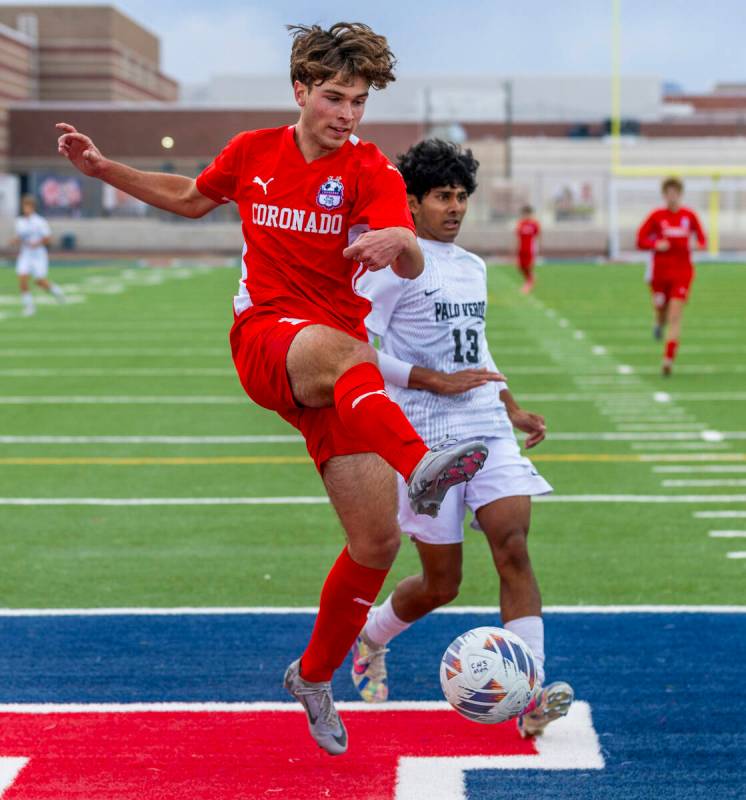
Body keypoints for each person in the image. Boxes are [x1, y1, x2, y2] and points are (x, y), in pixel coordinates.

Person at [56, 23, 488, 756]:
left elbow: (410, 258)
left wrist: (401, 244)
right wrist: (104, 169)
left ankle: (313, 676)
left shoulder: (371, 170)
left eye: (357, 101)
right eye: (333, 97)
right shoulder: (253, 152)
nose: (346, 114)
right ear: (300, 90)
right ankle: (420, 466)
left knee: (377, 542)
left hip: (338, 378)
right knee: (350, 349)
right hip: (268, 340)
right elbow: (193, 197)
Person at [353, 139, 574, 738]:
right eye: (441, 197)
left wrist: (513, 405)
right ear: (412, 202)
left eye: (460, 197)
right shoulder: (393, 264)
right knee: (441, 584)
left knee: (513, 545)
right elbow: (356, 351)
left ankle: (529, 694)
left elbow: (474, 346)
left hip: (486, 424)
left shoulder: (473, 266)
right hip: (423, 439)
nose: (454, 208)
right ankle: (370, 639)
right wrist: (431, 381)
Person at [637, 177, 706, 376]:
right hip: (659, 274)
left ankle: (668, 359)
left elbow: (702, 239)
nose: (672, 196)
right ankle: (658, 323)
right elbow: (640, 239)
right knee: (662, 312)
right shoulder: (657, 216)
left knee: (675, 315)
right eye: (669, 193)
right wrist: (655, 244)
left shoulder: (689, 216)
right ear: (664, 195)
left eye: (675, 192)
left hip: (682, 273)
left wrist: (697, 245)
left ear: (680, 194)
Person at [10, 195, 64, 316]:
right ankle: (29, 307)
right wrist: (14, 241)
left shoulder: (40, 221)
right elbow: (20, 237)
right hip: (25, 255)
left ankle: (56, 291)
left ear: (33, 207)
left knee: (40, 281)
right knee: (22, 280)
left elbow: (48, 239)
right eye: (24, 206)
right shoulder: (20, 221)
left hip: (38, 255)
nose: (26, 209)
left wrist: (37, 244)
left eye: (28, 206)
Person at [515, 204, 540, 293]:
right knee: (520, 267)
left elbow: (538, 237)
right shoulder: (520, 224)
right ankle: (531, 278)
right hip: (521, 248)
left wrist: (538, 249)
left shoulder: (534, 224)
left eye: (527, 213)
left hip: (530, 249)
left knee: (528, 266)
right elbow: (517, 237)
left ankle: (529, 282)